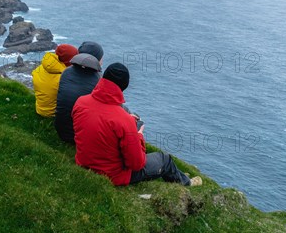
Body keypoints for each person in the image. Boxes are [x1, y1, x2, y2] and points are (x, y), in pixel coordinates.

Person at [73, 63, 202, 187]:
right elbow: (137, 164)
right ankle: (187, 183)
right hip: (113, 175)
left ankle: (176, 174)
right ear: (124, 86)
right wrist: (138, 135)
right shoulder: (123, 120)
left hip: (84, 164)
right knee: (165, 160)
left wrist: (125, 120)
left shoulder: (80, 102)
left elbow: (100, 121)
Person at [54, 41, 104, 143]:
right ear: (96, 60)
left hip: (61, 130)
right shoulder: (99, 81)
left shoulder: (66, 72)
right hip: (81, 136)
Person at [32, 44, 79, 117]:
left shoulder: (42, 67)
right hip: (53, 113)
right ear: (69, 61)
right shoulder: (64, 77)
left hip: (40, 108)